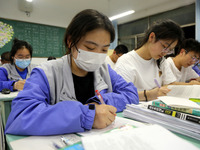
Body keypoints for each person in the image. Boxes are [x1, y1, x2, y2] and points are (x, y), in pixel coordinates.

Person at [5, 9, 139, 136]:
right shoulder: (46, 73)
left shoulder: (104, 70)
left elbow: (131, 94)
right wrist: (87, 115)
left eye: (104, 50)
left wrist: (98, 103)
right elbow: (20, 116)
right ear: (70, 41)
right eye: (90, 47)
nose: (97, 55)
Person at [115, 20, 184, 101]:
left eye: (170, 50)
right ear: (152, 37)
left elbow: (169, 84)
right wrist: (149, 94)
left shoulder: (161, 61)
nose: (165, 53)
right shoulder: (125, 61)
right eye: (165, 46)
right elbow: (120, 95)